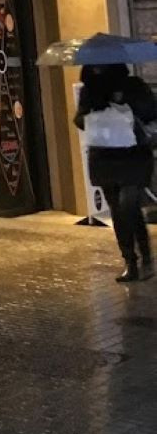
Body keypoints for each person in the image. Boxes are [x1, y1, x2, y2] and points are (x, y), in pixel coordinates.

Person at [75, 63, 157, 282]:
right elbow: (80, 119)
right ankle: (130, 260)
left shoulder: (133, 86)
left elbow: (150, 112)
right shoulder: (89, 91)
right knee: (119, 211)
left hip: (133, 154)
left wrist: (124, 103)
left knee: (128, 204)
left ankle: (145, 257)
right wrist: (98, 114)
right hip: (104, 157)